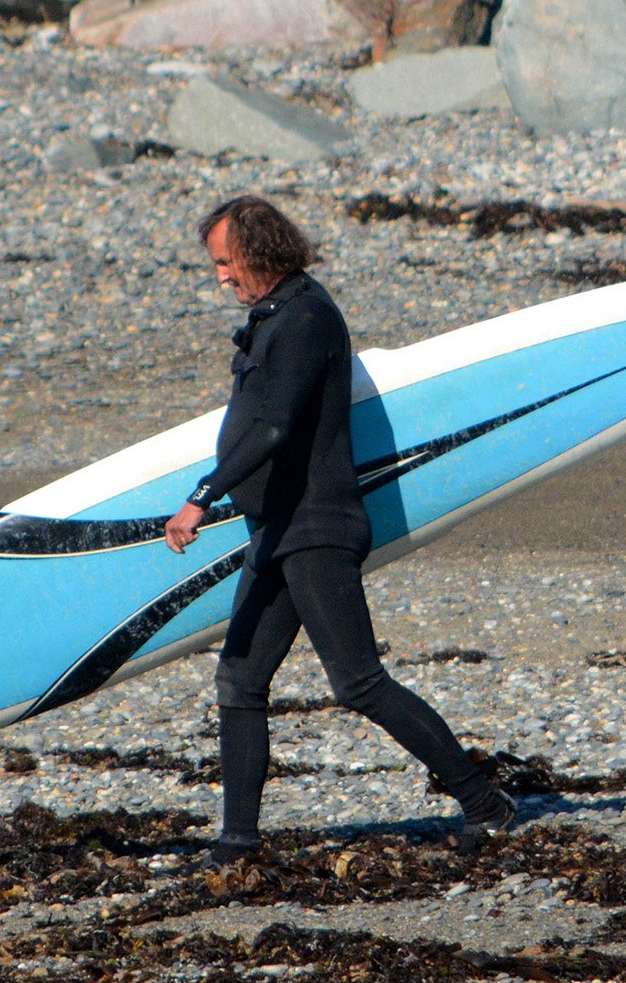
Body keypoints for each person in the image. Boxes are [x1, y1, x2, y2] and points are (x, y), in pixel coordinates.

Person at [164, 193, 514, 862]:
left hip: (317, 526)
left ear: (258, 251)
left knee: (357, 682)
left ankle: (485, 802)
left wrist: (201, 497)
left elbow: (276, 425)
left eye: (224, 262)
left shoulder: (307, 317)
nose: (220, 277)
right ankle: (238, 841)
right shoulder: (273, 318)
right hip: (278, 528)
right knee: (239, 680)